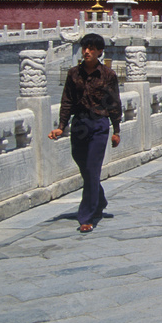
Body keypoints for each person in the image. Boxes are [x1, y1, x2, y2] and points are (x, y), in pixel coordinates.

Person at [49, 33, 122, 233]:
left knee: (92, 169)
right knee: (84, 166)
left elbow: (114, 102)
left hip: (99, 124)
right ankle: (100, 199)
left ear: (100, 51)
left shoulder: (108, 75)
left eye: (91, 48)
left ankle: (86, 216)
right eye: (84, 48)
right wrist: (61, 126)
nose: (87, 52)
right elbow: (67, 101)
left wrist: (116, 130)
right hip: (79, 124)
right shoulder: (73, 74)